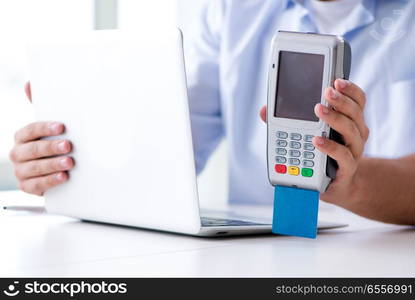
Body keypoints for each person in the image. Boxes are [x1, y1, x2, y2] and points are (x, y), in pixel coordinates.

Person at [9, 0, 415, 225]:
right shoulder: (231, 11)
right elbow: (170, 146)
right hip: (261, 257)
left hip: (389, 253)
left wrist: (352, 184)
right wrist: (71, 159)